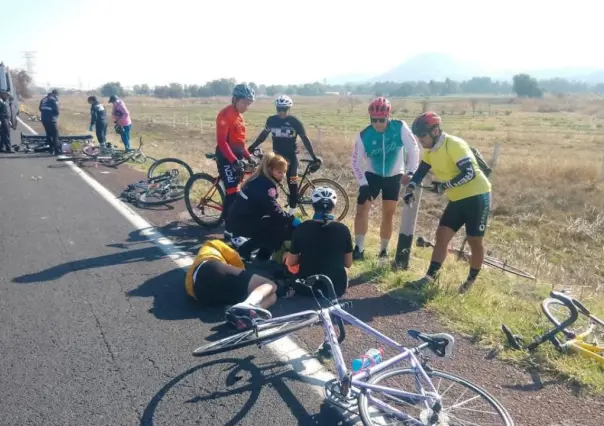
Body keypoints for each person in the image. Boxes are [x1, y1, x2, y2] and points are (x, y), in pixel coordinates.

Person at [403, 111, 492, 293]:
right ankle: (429, 278)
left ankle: (470, 282)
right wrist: (410, 188)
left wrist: (444, 186)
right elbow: (421, 171)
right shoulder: (431, 150)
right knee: (442, 235)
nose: (420, 140)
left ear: (435, 131)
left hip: (477, 196)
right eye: (418, 136)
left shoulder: (454, 145)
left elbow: (469, 173)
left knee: (475, 241)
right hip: (457, 199)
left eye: (422, 135)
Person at [351, 96, 420, 260]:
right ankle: (359, 248)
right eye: (373, 120)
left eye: (381, 120)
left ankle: (383, 250)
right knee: (361, 210)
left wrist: (411, 172)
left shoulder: (399, 127)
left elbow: (414, 149)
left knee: (388, 214)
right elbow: (354, 162)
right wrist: (363, 183)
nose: (377, 124)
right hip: (372, 175)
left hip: (394, 176)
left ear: (388, 117)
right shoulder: (364, 135)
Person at [185, 239, 286, 331]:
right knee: (270, 284)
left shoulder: (199, 257)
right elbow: (235, 258)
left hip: (200, 295)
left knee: (273, 296)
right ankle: (249, 304)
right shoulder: (212, 243)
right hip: (210, 267)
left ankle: (249, 314)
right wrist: (247, 276)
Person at [248, 95, 322, 214]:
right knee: (268, 182)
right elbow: (263, 135)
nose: (281, 112)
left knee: (292, 185)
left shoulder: (295, 122)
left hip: (291, 156)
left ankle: (291, 214)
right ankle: (270, 210)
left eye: (285, 109)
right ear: (276, 108)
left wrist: (314, 157)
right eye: (279, 109)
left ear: (289, 109)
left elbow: (305, 139)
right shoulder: (271, 120)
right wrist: (253, 146)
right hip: (277, 156)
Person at [225, 151, 302, 262]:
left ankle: (258, 254)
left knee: (276, 223)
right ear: (271, 170)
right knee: (279, 226)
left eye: (284, 172)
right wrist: (292, 219)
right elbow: (274, 210)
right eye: (279, 172)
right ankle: (255, 254)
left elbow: (270, 208)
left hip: (239, 220)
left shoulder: (260, 179)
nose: (282, 175)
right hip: (243, 223)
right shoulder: (266, 186)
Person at [285, 187, 353, 298]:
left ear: (313, 205)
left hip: (307, 289)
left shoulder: (302, 228)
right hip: (336, 288)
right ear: (333, 206)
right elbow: (348, 263)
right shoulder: (343, 229)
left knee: (287, 258)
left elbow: (291, 263)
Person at [215, 83, 256, 219]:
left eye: (249, 104)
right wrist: (234, 160)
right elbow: (222, 142)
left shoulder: (239, 116)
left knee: (241, 189)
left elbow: (240, 144)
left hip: (237, 158)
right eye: (244, 103)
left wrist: (249, 156)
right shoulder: (225, 114)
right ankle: (228, 227)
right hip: (225, 157)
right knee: (232, 191)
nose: (247, 107)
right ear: (235, 99)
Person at [39, 89, 61, 155]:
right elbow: (57, 110)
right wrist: (55, 116)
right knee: (55, 135)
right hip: (51, 119)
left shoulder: (43, 99)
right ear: (55, 94)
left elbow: (40, 108)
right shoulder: (54, 99)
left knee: (49, 134)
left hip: (44, 119)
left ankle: (51, 150)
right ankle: (57, 151)